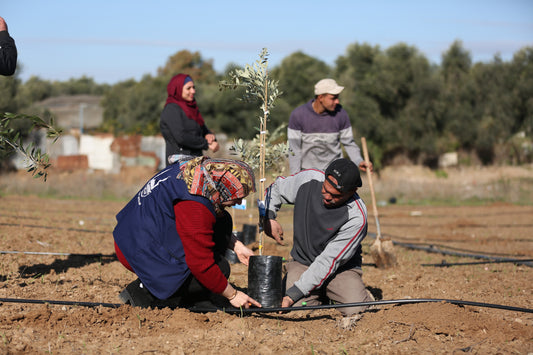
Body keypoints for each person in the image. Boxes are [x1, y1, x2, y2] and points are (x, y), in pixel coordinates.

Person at [113, 156, 261, 310]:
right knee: (220, 268)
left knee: (222, 222)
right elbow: (200, 263)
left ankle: (195, 296)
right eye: (237, 197)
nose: (238, 202)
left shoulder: (196, 172)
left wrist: (237, 246)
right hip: (136, 250)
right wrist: (233, 295)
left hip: (136, 235)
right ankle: (144, 291)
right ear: (225, 188)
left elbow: (202, 228)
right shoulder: (195, 202)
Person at [264, 158, 374, 324]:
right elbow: (276, 189)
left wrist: (293, 294)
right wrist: (268, 216)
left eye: (335, 195)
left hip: (340, 269)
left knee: (356, 309)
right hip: (303, 262)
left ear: (352, 192)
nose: (327, 197)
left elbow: (328, 261)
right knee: (298, 310)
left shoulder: (357, 217)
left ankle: (348, 293)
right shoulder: (309, 179)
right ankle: (318, 294)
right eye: (325, 190)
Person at [287, 78, 372, 175]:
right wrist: (295, 177)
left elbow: (349, 143)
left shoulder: (341, 114)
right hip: (308, 174)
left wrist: (358, 161)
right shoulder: (298, 115)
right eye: (333, 98)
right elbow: (294, 150)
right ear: (320, 98)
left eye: (337, 97)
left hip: (335, 173)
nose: (337, 102)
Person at [160, 74, 219, 166]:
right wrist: (206, 143)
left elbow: (203, 129)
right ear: (178, 89)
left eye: (193, 87)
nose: (193, 91)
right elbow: (181, 137)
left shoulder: (191, 108)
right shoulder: (171, 109)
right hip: (179, 166)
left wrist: (210, 136)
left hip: (196, 163)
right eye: (188, 88)